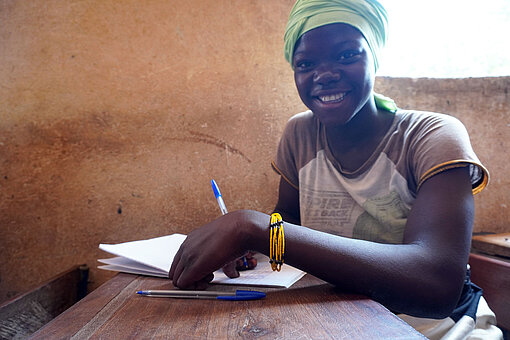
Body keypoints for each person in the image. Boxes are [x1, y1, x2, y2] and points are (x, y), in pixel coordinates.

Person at [169, 0, 502, 338]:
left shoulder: (431, 136)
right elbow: (288, 222)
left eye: (346, 56)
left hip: (435, 328)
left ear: (375, 56)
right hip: (340, 321)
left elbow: (435, 287)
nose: (324, 74)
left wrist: (255, 229)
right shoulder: (299, 134)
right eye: (306, 63)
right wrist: (250, 248)